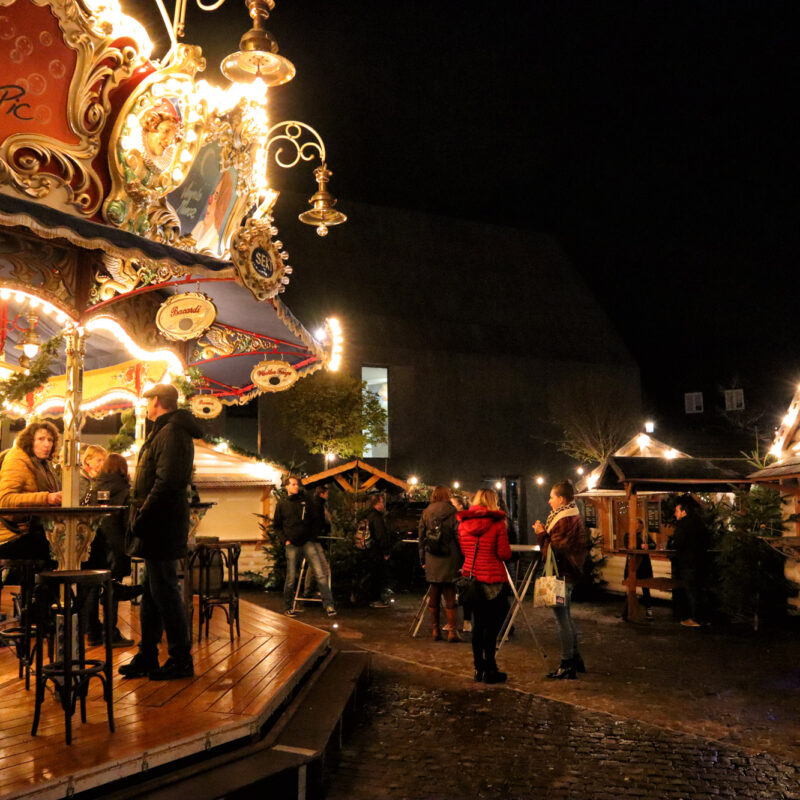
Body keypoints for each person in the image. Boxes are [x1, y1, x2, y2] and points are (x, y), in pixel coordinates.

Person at [119, 383, 202, 681]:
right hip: (158, 523)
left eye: (148, 401)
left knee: (164, 590)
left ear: (157, 401)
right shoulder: (165, 431)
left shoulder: (172, 433)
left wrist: (142, 515)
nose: (145, 406)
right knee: (154, 592)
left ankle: (180, 658)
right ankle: (148, 654)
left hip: (162, 524)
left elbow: (167, 483)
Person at [86, 453, 143, 647]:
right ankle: (110, 632)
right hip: (116, 546)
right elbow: (129, 524)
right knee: (112, 589)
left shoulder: (94, 489)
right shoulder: (126, 491)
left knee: (92, 587)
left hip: (94, 545)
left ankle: (93, 632)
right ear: (123, 469)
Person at [533, 480, 587, 680]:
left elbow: (554, 551)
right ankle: (575, 658)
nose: (549, 502)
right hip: (569, 573)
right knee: (567, 618)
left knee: (562, 619)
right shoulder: (570, 516)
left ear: (562, 499)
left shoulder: (564, 519)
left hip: (562, 574)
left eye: (552, 497)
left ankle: (567, 663)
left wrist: (541, 535)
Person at [457, 488, 511, 683]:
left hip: (472, 579)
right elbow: (504, 554)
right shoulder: (498, 524)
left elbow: (464, 551)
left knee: (478, 625)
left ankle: (478, 669)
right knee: (494, 623)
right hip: (493, 580)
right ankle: (491, 668)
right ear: (492, 502)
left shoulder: (463, 524)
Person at [0, 420, 62, 561]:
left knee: (87, 537)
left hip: (35, 527)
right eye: (41, 439)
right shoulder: (17, 460)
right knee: (58, 545)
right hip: (13, 532)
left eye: (50, 440)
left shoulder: (44, 464)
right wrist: (47, 498)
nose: (46, 444)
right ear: (29, 441)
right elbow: (4, 500)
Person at [275, 477, 337, 617]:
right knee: (291, 577)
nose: (296, 487)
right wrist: (285, 540)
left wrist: (312, 536)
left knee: (320, 573)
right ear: (287, 487)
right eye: (293, 484)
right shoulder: (282, 505)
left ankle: (329, 605)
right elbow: (277, 526)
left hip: (307, 542)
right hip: (291, 544)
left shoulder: (305, 502)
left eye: (297, 484)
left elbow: (315, 519)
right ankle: (288, 606)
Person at [418, 485, 462, 642]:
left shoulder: (426, 512)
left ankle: (435, 630)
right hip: (450, 556)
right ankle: (452, 631)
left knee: (434, 593)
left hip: (432, 556)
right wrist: (462, 556)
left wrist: (422, 559)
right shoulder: (452, 512)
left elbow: (421, 537)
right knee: (450, 592)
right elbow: (458, 535)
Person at [671, 495, 711, 628]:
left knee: (691, 591)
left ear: (683, 511)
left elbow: (678, 543)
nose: (675, 513)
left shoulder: (682, 525)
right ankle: (704, 618)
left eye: (677, 511)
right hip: (702, 561)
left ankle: (695, 619)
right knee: (700, 590)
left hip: (688, 563)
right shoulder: (700, 523)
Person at [621, 518, 656, 621]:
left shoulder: (645, 535)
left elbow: (654, 545)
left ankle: (648, 609)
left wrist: (647, 546)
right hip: (632, 564)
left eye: (637, 524)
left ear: (641, 525)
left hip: (644, 564)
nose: (635, 526)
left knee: (646, 587)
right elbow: (629, 545)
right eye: (634, 524)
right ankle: (628, 610)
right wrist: (640, 546)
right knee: (630, 587)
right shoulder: (628, 535)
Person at [365, 494, 391, 608]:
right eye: (382, 502)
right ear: (377, 503)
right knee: (377, 575)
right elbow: (381, 536)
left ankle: (373, 598)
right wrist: (386, 551)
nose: (383, 505)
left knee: (372, 575)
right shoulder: (377, 518)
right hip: (376, 551)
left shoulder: (369, 516)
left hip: (370, 549)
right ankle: (375, 599)